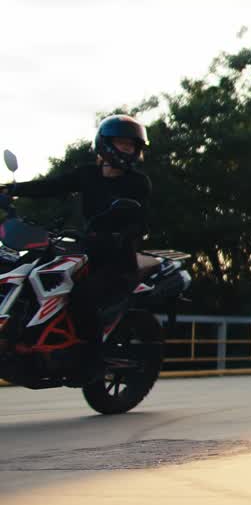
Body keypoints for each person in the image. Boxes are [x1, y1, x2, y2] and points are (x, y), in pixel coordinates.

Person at [0, 115, 152, 384]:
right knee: (29, 271)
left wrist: (119, 234)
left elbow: (139, 220)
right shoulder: (87, 174)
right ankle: (24, 340)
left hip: (116, 259)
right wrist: (12, 190)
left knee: (82, 297)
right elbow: (51, 186)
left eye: (132, 145)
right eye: (122, 143)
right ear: (105, 145)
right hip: (85, 250)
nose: (127, 149)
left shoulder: (138, 183)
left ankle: (91, 363)